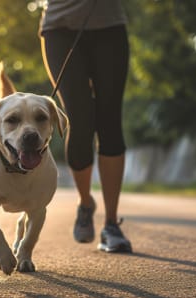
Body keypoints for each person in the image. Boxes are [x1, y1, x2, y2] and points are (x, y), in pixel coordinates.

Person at [40, 0, 132, 253]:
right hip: (59, 30)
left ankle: (111, 224)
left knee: (110, 122)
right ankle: (85, 202)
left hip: (109, 27)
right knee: (79, 121)